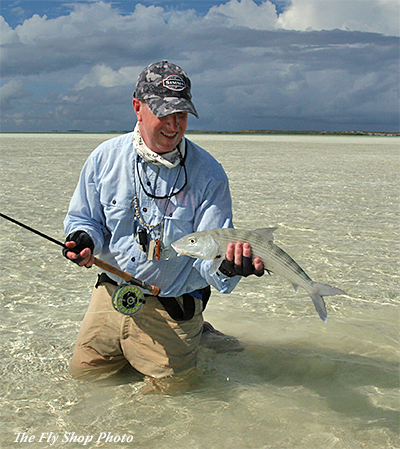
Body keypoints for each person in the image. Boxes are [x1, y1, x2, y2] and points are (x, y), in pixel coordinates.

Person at [63, 60, 264, 381]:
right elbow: (84, 218)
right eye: (164, 113)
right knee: (83, 381)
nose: (174, 125)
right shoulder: (104, 158)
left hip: (171, 308)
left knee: (170, 403)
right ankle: (204, 334)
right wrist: (84, 239)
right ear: (137, 107)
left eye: (181, 115)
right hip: (110, 295)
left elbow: (208, 257)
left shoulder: (208, 174)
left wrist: (226, 268)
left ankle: (199, 330)